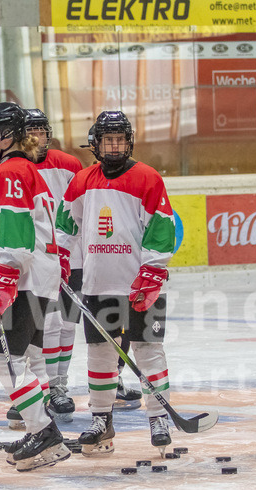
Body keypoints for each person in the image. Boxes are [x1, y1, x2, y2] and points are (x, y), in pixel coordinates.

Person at [55, 110, 177, 457]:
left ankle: (158, 418)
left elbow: (162, 227)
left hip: (141, 285)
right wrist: (59, 258)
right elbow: (65, 225)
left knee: (148, 349)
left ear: (129, 141)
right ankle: (101, 420)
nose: (114, 146)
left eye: (120, 139)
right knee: (100, 353)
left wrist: (152, 270)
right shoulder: (82, 181)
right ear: (96, 143)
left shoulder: (148, 178)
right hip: (98, 285)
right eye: (108, 140)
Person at [0, 101, 71, 471]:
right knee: (24, 356)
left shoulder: (10, 170)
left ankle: (44, 432)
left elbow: (17, 230)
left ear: (7, 135)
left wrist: (4, 274)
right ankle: (38, 428)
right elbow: (14, 218)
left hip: (25, 279)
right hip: (38, 278)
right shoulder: (19, 168)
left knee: (4, 357)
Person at [25, 108, 84, 424]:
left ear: (48, 134)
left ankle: (59, 385)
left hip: (72, 257)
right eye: (30, 132)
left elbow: (82, 208)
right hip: (35, 260)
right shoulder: (13, 168)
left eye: (41, 131)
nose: (36, 137)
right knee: (45, 324)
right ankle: (44, 387)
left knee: (67, 323)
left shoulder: (69, 164)